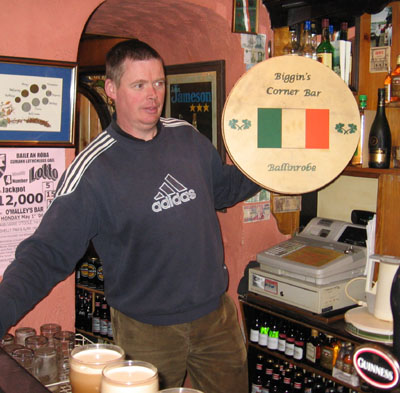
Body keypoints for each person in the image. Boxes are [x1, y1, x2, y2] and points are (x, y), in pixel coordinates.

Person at [0, 39, 260, 392]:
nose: (153, 95)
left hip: (216, 319)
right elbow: (45, 255)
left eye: (158, 83)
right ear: (111, 89)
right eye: (139, 85)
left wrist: (276, 169)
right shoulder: (92, 170)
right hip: (146, 332)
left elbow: (225, 188)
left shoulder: (188, 138)